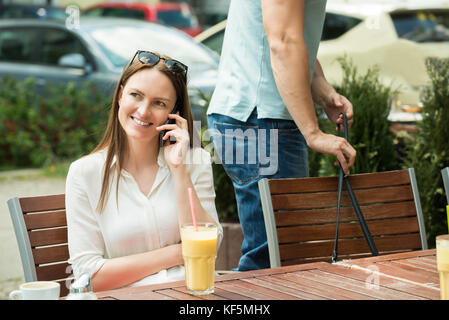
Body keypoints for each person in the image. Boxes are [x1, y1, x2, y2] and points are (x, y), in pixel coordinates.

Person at [207, 0, 356, 271]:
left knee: (278, 256)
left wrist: (322, 91)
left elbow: (289, 35)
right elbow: (283, 41)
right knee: (276, 261)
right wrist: (312, 132)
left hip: (256, 116)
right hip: (259, 119)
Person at [66, 50, 222, 292]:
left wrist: (180, 171)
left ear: (174, 112)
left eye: (159, 103)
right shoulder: (84, 173)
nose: (143, 111)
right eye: (136, 95)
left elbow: (210, 245)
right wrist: (178, 252)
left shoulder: (195, 161)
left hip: (192, 296)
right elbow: (88, 276)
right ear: (120, 95)